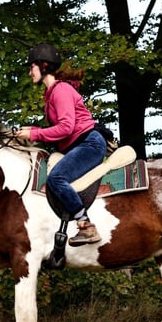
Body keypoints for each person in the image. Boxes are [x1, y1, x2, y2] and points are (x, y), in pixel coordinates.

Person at [15, 43, 106, 246]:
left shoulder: (61, 90)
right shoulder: (51, 95)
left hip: (89, 144)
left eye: (32, 67)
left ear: (44, 65)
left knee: (56, 178)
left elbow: (66, 128)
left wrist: (34, 133)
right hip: (79, 145)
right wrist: (32, 131)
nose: (30, 72)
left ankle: (86, 226)